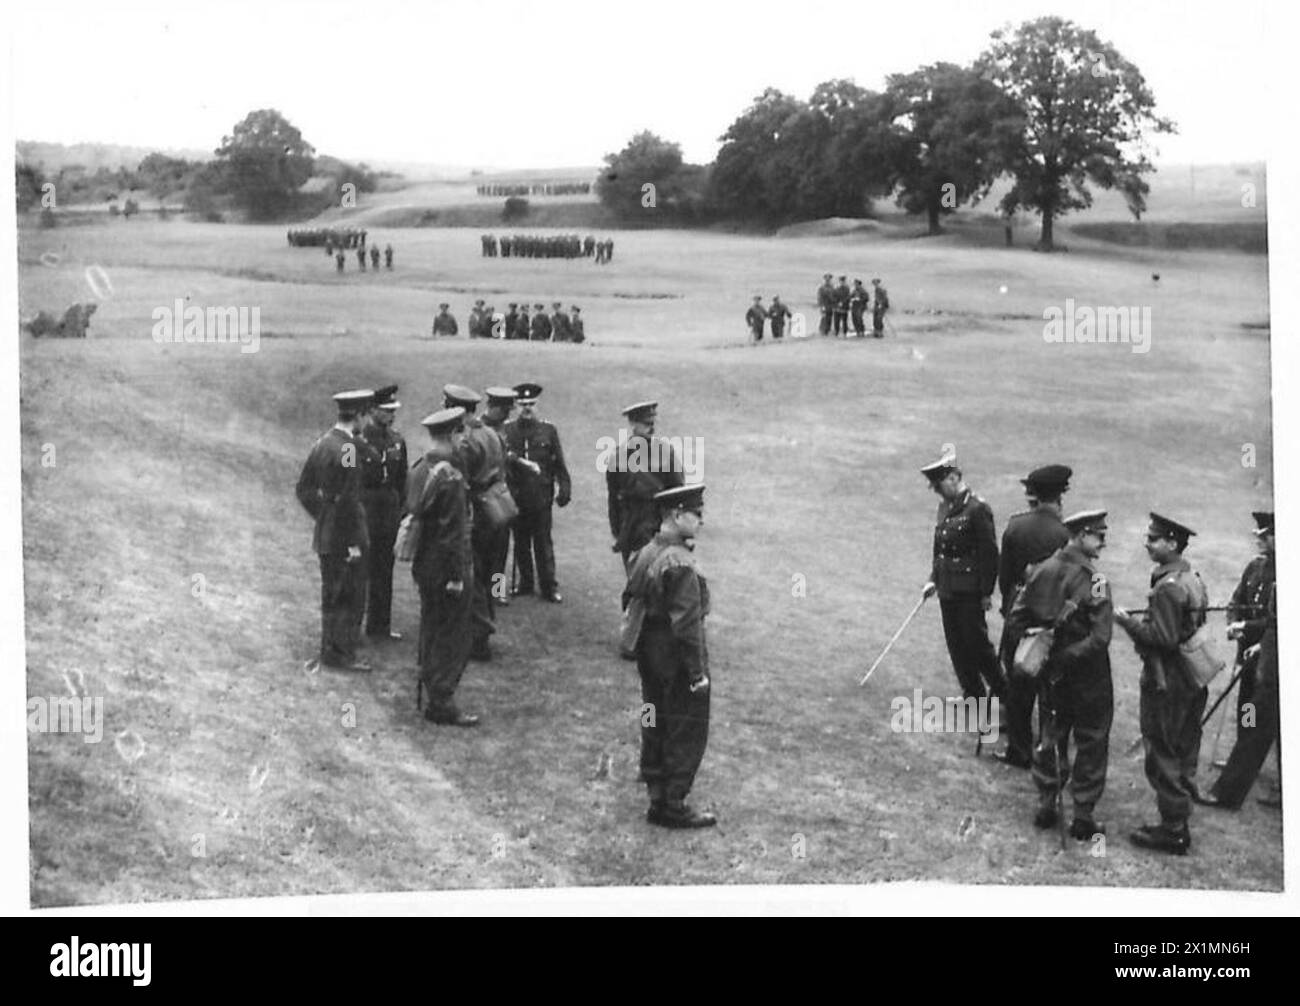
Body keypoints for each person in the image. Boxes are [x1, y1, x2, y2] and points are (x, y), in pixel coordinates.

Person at [1006, 509, 1113, 840]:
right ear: (1081, 535)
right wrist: (1069, 654)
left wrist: (1041, 645)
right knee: (1092, 739)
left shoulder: (1042, 570)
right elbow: (1101, 637)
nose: (1103, 543)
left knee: (1051, 735)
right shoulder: (1095, 581)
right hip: (1089, 675)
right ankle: (1082, 815)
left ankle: (1046, 803)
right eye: (1099, 536)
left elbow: (1015, 620)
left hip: (1051, 672)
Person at [1115, 512, 1211, 855]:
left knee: (1161, 750)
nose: (1147, 542)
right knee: (1183, 747)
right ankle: (1179, 819)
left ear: (1172, 543)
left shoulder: (1169, 587)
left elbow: (1164, 639)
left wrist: (1127, 623)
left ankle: (1173, 830)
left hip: (1166, 679)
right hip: (1189, 678)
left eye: (1154, 538)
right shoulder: (1191, 577)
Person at [622, 483, 715, 828]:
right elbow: (688, 624)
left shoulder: (646, 551)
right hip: (675, 653)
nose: (701, 521)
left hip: (648, 646)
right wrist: (697, 673)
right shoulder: (681, 562)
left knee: (653, 715)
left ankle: (657, 791)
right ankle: (674, 803)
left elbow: (628, 598)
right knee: (686, 724)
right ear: (677, 515)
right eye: (696, 514)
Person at [1198, 511, 1279, 809]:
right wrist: (1235, 622)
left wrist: (1247, 629)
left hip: (1267, 653)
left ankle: (1233, 788)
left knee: (1262, 718)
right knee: (1248, 707)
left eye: (1266, 534)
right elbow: (1238, 600)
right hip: (1253, 650)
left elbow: (1274, 621)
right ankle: (1242, 754)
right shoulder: (1256, 567)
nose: (1260, 540)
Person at [995, 464, 1073, 769]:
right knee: (1050, 684)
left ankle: (1019, 749)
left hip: (1020, 610)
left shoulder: (1016, 526)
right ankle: (1049, 749)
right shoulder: (1066, 533)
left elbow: (1006, 576)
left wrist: (1009, 605)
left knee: (1018, 681)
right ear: (1059, 498)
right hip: (1054, 614)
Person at [405, 407, 479, 727]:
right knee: (453, 635)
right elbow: (453, 534)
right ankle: (442, 700)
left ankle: (428, 681)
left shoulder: (420, 468)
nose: (464, 439)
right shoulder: (451, 477)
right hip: (445, 566)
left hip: (424, 563)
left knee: (431, 625)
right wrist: (456, 577)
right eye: (461, 433)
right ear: (451, 435)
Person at [296, 389, 373, 673]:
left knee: (331, 593)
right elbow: (350, 497)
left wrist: (324, 514)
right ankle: (341, 653)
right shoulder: (350, 449)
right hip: (346, 535)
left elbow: (304, 490)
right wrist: (352, 541)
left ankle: (330, 649)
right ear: (360, 415)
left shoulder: (322, 443)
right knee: (348, 595)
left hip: (327, 533)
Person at [920, 453, 1005, 704]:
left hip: (969, 591)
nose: (938, 492)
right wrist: (932, 579)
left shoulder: (977, 508)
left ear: (955, 477)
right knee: (956, 646)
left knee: (978, 647)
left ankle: (1005, 696)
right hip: (947, 588)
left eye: (940, 485)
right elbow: (941, 550)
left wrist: (986, 592)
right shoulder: (945, 508)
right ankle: (974, 695)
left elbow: (990, 553)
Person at [444, 384, 507, 660]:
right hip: (497, 507)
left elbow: (461, 480)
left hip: (477, 510)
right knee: (490, 570)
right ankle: (484, 626)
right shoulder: (491, 433)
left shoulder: (466, 440)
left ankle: (478, 637)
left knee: (475, 574)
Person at [503, 383, 570, 602]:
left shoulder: (548, 430)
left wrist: (564, 488)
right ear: (516, 406)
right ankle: (525, 583)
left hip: (541, 497)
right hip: (517, 497)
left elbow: (559, 462)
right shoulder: (508, 430)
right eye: (523, 404)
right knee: (521, 543)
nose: (527, 408)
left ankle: (549, 586)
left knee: (543, 543)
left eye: (531, 404)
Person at [358, 385, 408, 641]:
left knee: (383, 572)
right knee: (358, 571)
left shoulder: (397, 441)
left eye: (393, 411)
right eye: (387, 411)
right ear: (373, 411)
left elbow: (401, 480)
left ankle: (380, 626)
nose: (392, 415)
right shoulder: (358, 441)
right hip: (365, 511)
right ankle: (352, 628)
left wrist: (401, 512)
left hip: (388, 513)